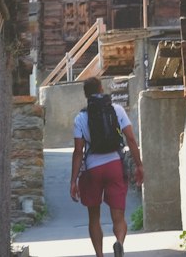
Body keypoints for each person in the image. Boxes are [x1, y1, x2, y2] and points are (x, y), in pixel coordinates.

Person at [70, 75, 144, 257]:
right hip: (114, 166)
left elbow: (78, 151)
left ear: (86, 95)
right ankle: (119, 242)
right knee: (118, 216)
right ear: (102, 90)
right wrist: (139, 165)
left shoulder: (80, 118)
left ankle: (100, 255)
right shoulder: (117, 110)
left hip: (92, 169)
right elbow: (131, 139)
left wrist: (73, 181)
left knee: (94, 218)